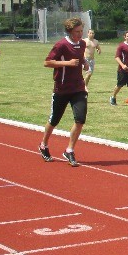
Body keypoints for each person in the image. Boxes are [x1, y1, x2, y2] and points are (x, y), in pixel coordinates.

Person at [38, 17, 89, 167]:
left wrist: (84, 63)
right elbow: (47, 62)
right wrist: (68, 63)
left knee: (80, 119)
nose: (80, 34)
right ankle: (43, 144)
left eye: (81, 31)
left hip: (78, 88)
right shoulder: (61, 45)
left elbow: (80, 58)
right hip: (61, 88)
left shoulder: (83, 44)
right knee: (54, 120)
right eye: (77, 32)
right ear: (69, 31)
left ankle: (70, 150)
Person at [109, 31, 128, 107]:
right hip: (122, 70)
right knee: (120, 85)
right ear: (124, 37)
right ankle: (113, 97)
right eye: (127, 36)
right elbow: (117, 57)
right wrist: (122, 65)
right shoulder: (121, 46)